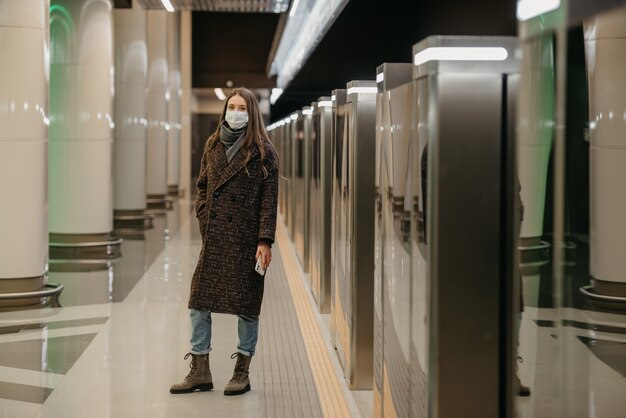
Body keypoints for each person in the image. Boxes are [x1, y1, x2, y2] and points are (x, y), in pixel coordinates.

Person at [170, 87, 279, 396]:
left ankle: (241, 372)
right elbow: (202, 185)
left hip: (247, 240)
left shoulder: (263, 151)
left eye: (242, 108)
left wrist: (265, 240)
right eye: (232, 106)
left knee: (246, 306)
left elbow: (269, 201)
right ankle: (200, 370)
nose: (236, 112)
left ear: (252, 113)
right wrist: (204, 214)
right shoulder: (213, 144)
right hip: (216, 238)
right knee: (198, 301)